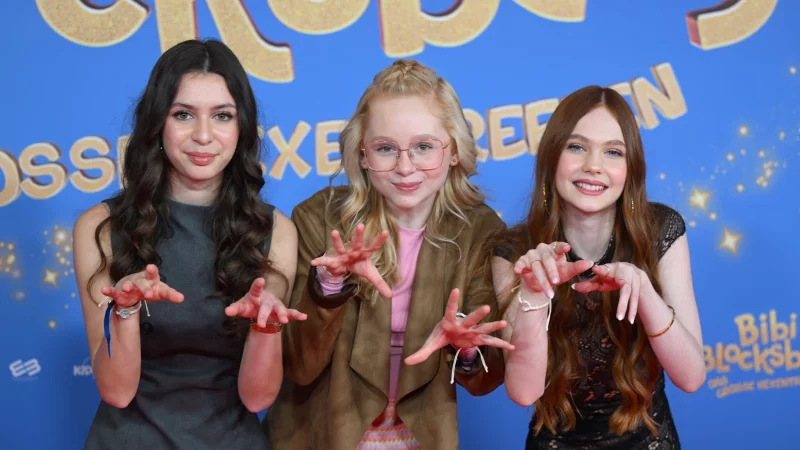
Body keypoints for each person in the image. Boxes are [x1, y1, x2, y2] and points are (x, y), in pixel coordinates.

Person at [263, 59, 513, 450]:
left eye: (424, 147)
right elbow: (296, 364)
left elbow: (485, 380)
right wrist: (329, 286)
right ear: (362, 154)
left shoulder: (480, 230)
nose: (405, 167)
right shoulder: (319, 218)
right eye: (385, 149)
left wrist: (467, 348)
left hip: (421, 437)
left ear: (453, 152)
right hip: (320, 436)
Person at [73, 39, 306, 449]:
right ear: (157, 123)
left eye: (222, 116)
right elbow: (116, 391)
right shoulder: (102, 227)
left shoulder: (275, 232)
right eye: (183, 114)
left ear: (242, 127)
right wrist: (125, 311)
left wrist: (264, 328)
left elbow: (258, 398)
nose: (203, 135)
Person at [491, 86, 705, 449]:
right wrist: (533, 296)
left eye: (613, 152)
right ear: (551, 158)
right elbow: (524, 393)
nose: (594, 165)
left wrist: (646, 295)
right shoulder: (515, 252)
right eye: (576, 147)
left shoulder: (661, 230)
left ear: (630, 168)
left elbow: (692, 377)